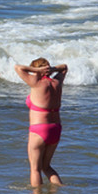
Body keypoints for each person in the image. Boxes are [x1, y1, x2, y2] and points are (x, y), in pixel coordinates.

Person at [15, 58, 67, 186]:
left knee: (35, 169)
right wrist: (52, 69)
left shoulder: (36, 82)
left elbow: (18, 67)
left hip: (39, 130)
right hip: (55, 129)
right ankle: (61, 190)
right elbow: (64, 67)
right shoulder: (57, 82)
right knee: (46, 166)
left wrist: (36, 71)